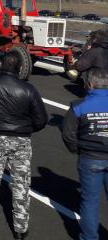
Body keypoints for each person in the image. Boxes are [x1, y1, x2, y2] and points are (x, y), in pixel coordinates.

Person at [0, 53, 48, 239]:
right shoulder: (28, 89)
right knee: (21, 183)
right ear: (20, 68)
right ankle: (20, 228)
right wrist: (26, 129)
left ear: (1, 65)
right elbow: (41, 119)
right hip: (21, 139)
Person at [61, 68, 108, 240]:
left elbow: (68, 133)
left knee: (90, 201)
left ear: (90, 84)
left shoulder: (79, 106)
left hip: (90, 157)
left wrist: (76, 149)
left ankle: (89, 237)